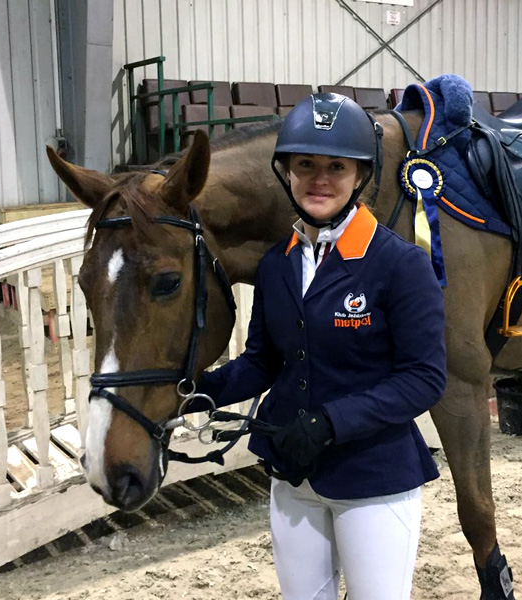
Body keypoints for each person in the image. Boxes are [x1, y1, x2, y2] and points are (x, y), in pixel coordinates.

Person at [196, 93, 447, 600]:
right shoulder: (276, 264)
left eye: (337, 166)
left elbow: (423, 378)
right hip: (294, 478)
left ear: (360, 176)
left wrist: (330, 422)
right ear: (286, 172)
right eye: (306, 165)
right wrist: (197, 390)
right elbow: (263, 361)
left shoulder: (401, 265)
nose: (320, 179)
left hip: (373, 477)